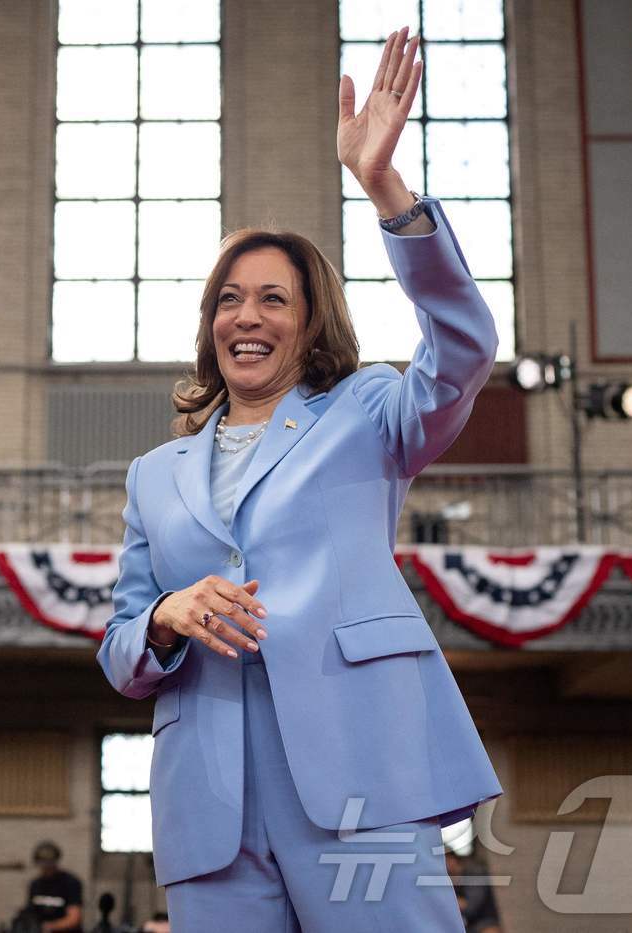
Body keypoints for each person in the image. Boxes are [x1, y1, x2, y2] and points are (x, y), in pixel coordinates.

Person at [96, 28, 501, 931]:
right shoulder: (155, 475)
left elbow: (466, 349)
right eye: (229, 300)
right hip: (209, 807)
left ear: (310, 323)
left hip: (363, 777)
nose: (247, 315)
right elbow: (121, 647)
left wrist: (384, 187)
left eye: (273, 298)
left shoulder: (367, 413)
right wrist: (166, 617)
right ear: (209, 325)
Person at [21, 841, 84, 932]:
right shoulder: (35, 885)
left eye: (49, 862)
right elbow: (30, 913)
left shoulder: (70, 883)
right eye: (43, 863)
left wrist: (50, 926)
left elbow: (74, 918)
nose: (46, 867)